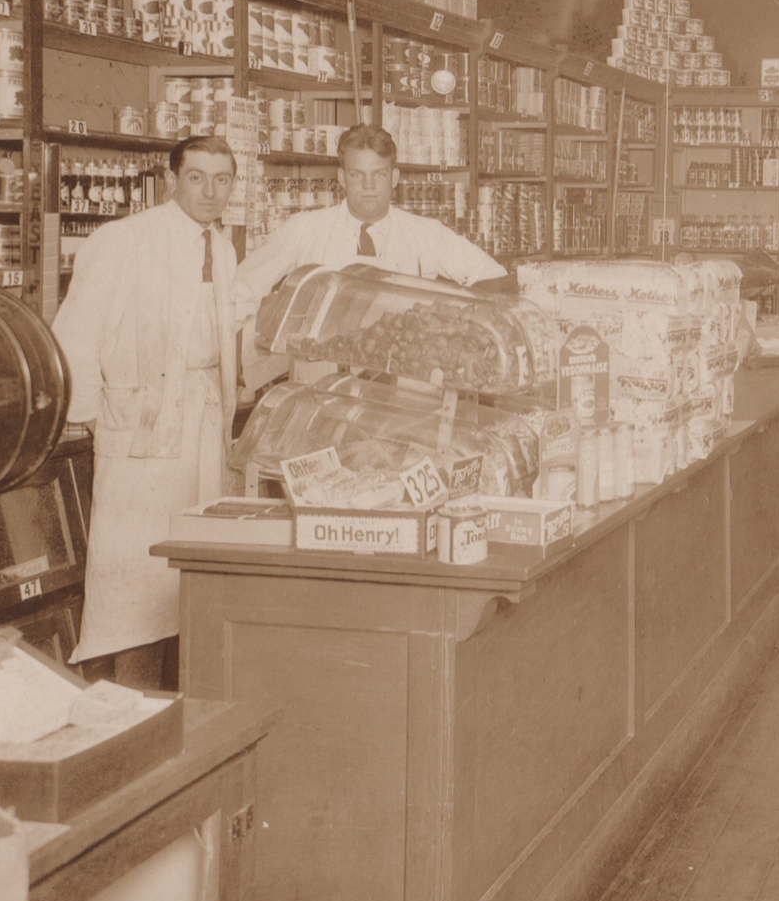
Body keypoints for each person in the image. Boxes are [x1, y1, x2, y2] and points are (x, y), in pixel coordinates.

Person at [50, 135, 242, 684]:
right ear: (171, 180)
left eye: (222, 179)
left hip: (202, 422)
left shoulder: (222, 247)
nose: (210, 191)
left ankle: (179, 694)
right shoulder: (124, 240)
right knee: (134, 580)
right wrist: (87, 415)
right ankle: (124, 699)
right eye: (197, 177)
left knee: (191, 566)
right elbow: (76, 337)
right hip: (140, 430)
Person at [232, 120, 506, 318]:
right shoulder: (303, 230)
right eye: (357, 174)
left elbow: (492, 276)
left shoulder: (426, 233)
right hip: (322, 377)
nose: (368, 185)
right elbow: (241, 292)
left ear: (394, 178)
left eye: (379, 174)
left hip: (403, 376)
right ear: (341, 178)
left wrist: (449, 318)